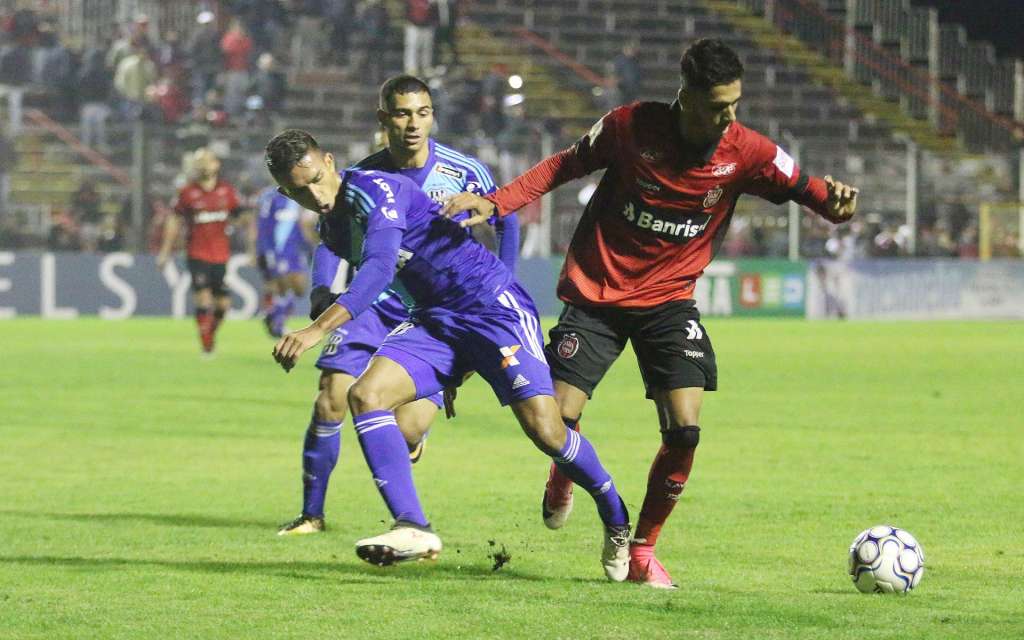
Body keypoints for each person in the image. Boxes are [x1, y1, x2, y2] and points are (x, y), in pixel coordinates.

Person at [443, 38, 859, 588]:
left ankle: (642, 550)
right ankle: (565, 468)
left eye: (735, 105)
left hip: (668, 300)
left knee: (685, 430)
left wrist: (835, 204)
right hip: (597, 294)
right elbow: (563, 165)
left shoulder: (748, 150)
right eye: (718, 107)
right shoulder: (629, 127)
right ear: (686, 96)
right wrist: (496, 202)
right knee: (555, 420)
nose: (728, 117)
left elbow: (810, 189)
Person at [264, 129, 632, 579]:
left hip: (491, 307)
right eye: (300, 192)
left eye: (316, 180)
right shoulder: (333, 230)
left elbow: (380, 267)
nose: (316, 195)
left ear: (329, 161)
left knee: (547, 432)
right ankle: (413, 526)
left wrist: (316, 329)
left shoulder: (375, 188)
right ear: (286, 193)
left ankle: (615, 513)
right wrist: (446, 370)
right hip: (435, 320)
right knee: (365, 395)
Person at [276, 74, 519, 536]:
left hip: (439, 307)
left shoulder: (465, 170)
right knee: (331, 396)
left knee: (406, 428)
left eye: (421, 113)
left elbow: (506, 218)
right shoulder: (361, 176)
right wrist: (321, 291)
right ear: (383, 119)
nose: (412, 124)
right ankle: (312, 515)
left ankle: (410, 473)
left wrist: (504, 287)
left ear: (432, 116)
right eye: (402, 114)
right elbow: (331, 238)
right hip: (375, 299)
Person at [157, 148, 249, 355]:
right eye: (199, 162)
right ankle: (206, 343)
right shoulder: (187, 193)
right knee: (203, 299)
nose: (203, 165)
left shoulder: (227, 191)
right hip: (196, 253)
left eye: (207, 161)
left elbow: (242, 216)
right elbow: (174, 220)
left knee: (223, 305)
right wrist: (165, 251)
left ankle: (209, 333)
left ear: (216, 164)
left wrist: (248, 232)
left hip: (221, 255)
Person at [254, 185, 317, 338]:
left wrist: (307, 245)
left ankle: (271, 314)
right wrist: (264, 250)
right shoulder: (270, 197)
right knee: (283, 285)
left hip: (295, 249)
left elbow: (301, 223)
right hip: (277, 250)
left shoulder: (299, 195)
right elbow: (262, 225)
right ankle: (277, 323)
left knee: (300, 289)